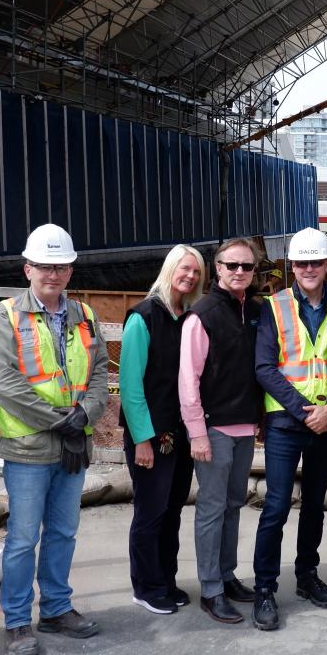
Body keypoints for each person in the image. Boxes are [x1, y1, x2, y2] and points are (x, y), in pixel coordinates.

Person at [0, 224, 109, 655]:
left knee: (63, 532)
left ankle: (55, 608)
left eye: (60, 267)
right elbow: (2, 383)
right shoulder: (5, 316)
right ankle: (17, 622)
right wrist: (62, 422)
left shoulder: (86, 316)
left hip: (73, 445)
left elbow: (99, 374)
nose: (52, 275)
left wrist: (85, 415)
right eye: (44, 267)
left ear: (70, 272)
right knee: (21, 537)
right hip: (30, 449)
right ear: (28, 269)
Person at [251, 228, 327, 631]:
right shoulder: (274, 307)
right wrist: (304, 410)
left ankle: (306, 574)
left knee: (315, 504)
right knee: (275, 507)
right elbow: (264, 367)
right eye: (302, 263)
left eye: (316, 262)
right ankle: (265, 588)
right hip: (288, 423)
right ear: (292, 266)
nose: (309, 269)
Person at [179, 237, 263, 624]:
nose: (240, 273)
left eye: (247, 267)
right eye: (232, 266)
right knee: (212, 509)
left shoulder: (256, 310)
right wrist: (196, 431)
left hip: (245, 427)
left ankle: (227, 575)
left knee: (233, 505)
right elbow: (188, 380)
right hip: (213, 429)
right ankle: (210, 588)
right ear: (218, 269)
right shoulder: (203, 315)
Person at [119, 244, 205, 615]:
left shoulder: (188, 317)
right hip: (151, 436)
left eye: (197, 271)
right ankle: (146, 585)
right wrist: (142, 439)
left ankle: (166, 580)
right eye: (184, 269)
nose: (190, 276)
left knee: (173, 511)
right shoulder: (143, 317)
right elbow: (130, 385)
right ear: (170, 269)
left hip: (180, 434)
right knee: (150, 512)